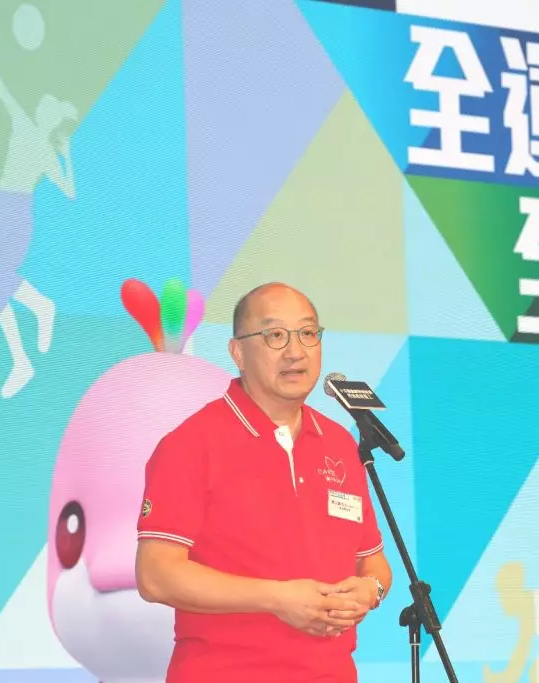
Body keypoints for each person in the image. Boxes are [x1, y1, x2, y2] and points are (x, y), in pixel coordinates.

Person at [135, 282, 393, 682]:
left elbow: (372, 561)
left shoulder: (340, 444)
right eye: (275, 335)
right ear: (237, 352)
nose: (295, 351)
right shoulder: (192, 443)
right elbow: (155, 576)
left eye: (307, 333)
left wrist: (369, 591)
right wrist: (277, 598)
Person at [0, 25, 76, 399]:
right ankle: (23, 354)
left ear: (49, 116)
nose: (39, 106)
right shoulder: (25, 127)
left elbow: (69, 193)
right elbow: (0, 87)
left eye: (45, 105)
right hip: (6, 208)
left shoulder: (40, 144)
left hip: (16, 213)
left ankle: (39, 317)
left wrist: (67, 154)